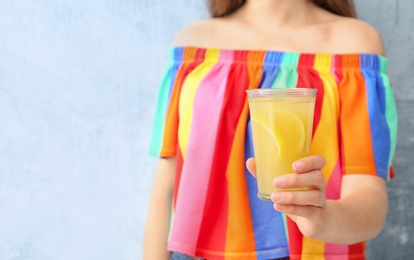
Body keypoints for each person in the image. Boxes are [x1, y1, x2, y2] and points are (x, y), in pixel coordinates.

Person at [143, 0, 398, 259]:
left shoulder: (355, 44)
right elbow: (166, 186)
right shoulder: (193, 45)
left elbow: (369, 200)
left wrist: (322, 218)